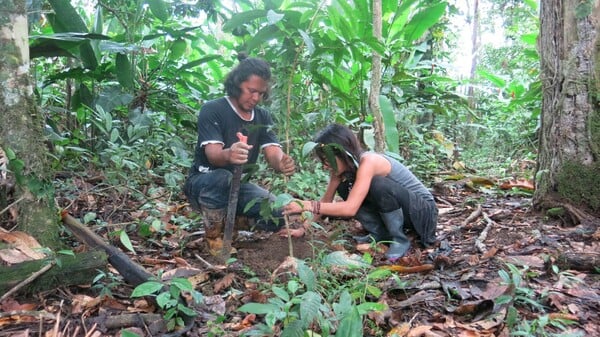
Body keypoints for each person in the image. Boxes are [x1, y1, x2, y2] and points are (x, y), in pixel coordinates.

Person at [184, 53, 295, 256]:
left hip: (237, 187)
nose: (255, 98)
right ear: (236, 84)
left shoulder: (262, 116)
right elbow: (213, 155)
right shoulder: (213, 109)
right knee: (222, 177)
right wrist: (229, 154)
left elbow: (273, 152)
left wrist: (282, 163)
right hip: (203, 184)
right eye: (251, 91)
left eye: (261, 93)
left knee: (279, 213)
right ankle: (214, 237)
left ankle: (232, 221)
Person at [282, 124, 437, 260]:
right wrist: (303, 229)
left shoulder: (369, 161)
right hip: (406, 212)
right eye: (323, 161)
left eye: (327, 159)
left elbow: (350, 208)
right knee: (345, 187)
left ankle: (399, 240)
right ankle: (380, 234)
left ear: (342, 152)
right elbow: (325, 202)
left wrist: (308, 205)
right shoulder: (341, 172)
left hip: (423, 212)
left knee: (377, 184)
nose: (325, 165)